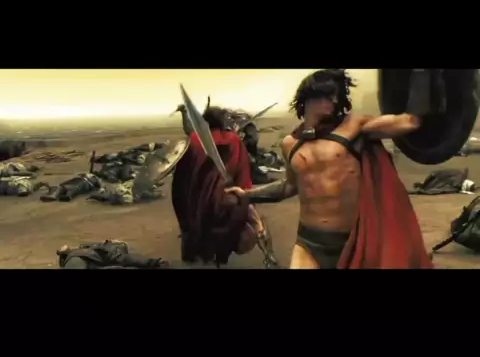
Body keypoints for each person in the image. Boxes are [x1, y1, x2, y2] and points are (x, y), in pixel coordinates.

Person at [229, 68, 433, 269]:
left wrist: (421, 73)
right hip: (309, 243)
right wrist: (247, 195)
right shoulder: (290, 144)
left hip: (353, 243)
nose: (334, 101)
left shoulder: (354, 126)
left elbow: (409, 121)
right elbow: (288, 187)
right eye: (328, 95)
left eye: (336, 96)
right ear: (309, 97)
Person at [171, 105, 278, 267]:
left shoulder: (194, 140)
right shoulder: (233, 139)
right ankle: (269, 257)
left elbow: (183, 177)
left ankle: (207, 258)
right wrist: (244, 197)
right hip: (228, 200)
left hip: (199, 203)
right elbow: (242, 172)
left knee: (200, 236)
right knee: (256, 222)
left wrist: (186, 202)